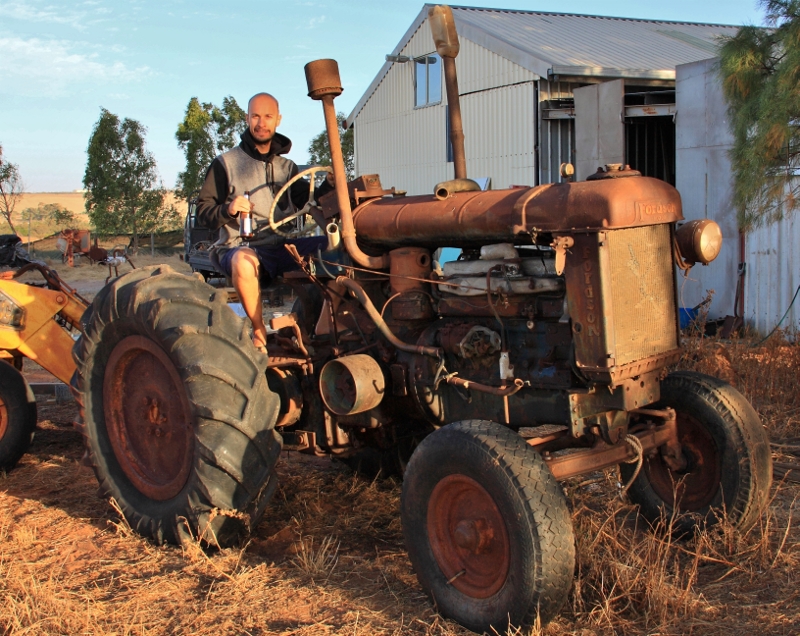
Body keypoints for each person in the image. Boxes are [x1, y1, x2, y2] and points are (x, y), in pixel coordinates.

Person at [196, 92, 332, 352]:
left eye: (268, 116)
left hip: (280, 246)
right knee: (244, 261)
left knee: (337, 248)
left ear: (278, 120)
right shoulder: (226, 164)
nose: (261, 122)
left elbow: (310, 198)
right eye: (255, 116)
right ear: (247, 119)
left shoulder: (287, 167)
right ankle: (258, 330)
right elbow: (204, 210)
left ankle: (324, 327)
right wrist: (229, 208)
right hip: (237, 247)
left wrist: (330, 184)